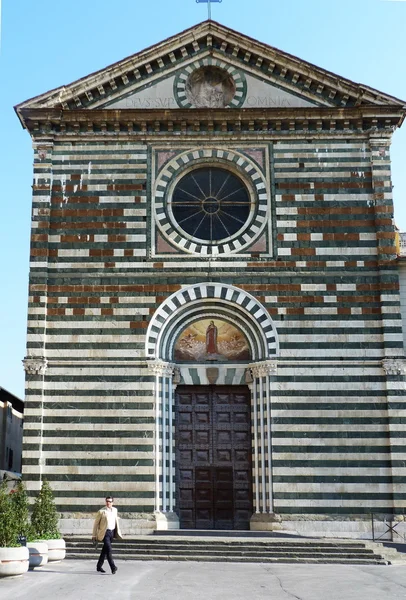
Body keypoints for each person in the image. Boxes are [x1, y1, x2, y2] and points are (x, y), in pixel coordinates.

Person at [92, 496, 122, 574]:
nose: (108, 503)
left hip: (112, 533)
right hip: (104, 533)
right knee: (109, 550)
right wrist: (94, 535)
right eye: (107, 501)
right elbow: (96, 524)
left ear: (112, 502)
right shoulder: (101, 511)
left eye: (110, 501)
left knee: (104, 551)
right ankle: (113, 567)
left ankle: (99, 566)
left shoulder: (115, 510)